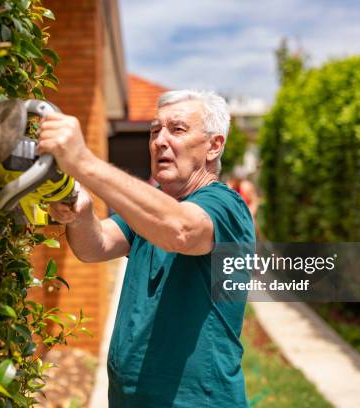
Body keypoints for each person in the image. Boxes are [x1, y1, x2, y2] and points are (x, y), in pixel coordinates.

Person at [38, 90, 255, 407]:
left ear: (214, 146)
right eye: (155, 131)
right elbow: (95, 246)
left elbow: (181, 230)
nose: (160, 141)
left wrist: (83, 162)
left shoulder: (225, 205)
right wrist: (81, 210)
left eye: (177, 129)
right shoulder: (156, 210)